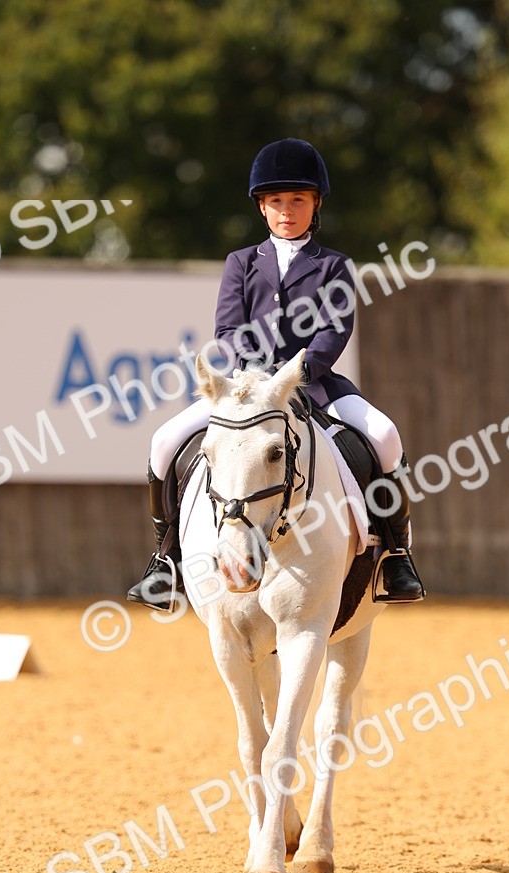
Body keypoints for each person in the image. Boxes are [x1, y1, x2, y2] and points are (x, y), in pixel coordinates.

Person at [127, 137, 425, 611]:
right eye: (277, 202)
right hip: (247, 388)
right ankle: (166, 560)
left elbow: (334, 329)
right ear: (262, 208)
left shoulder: (333, 266)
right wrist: (261, 378)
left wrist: (297, 372)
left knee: (385, 436)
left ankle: (395, 552)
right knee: (164, 442)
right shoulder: (241, 263)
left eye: (298, 201)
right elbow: (227, 328)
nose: (287, 210)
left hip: (315, 386)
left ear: (315, 204)